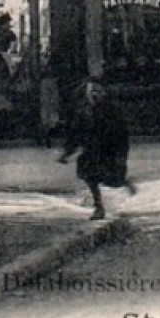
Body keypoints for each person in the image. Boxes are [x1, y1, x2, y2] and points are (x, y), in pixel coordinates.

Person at [58, 79, 136, 220]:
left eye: (97, 91)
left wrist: (121, 155)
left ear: (103, 93)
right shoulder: (82, 111)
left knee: (112, 180)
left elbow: (121, 135)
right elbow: (76, 134)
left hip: (109, 149)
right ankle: (99, 206)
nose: (94, 95)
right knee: (89, 175)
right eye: (91, 91)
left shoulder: (111, 110)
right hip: (91, 150)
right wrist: (67, 152)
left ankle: (124, 189)